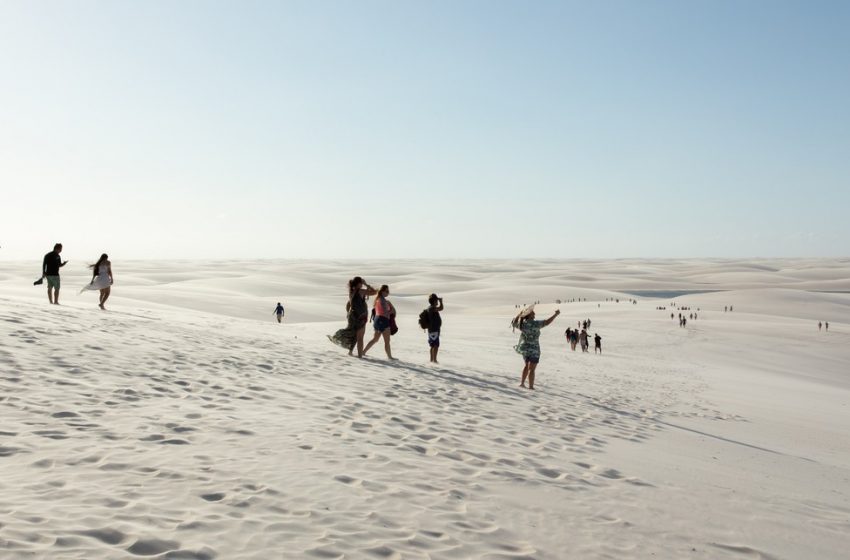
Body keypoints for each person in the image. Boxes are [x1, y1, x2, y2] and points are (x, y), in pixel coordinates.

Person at [513, 305, 560, 390]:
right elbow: (547, 322)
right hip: (534, 349)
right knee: (532, 369)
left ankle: (522, 383)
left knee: (527, 366)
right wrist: (555, 315)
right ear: (530, 315)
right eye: (532, 312)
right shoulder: (535, 324)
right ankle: (531, 387)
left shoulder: (522, 324)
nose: (534, 312)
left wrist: (519, 315)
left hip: (525, 349)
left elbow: (514, 323)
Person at [329, 276, 377, 356]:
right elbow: (375, 292)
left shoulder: (351, 291)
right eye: (361, 282)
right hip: (360, 316)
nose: (362, 284)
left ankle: (350, 351)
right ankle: (360, 356)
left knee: (354, 333)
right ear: (359, 283)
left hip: (352, 316)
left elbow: (350, 303)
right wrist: (366, 284)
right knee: (360, 337)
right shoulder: (360, 291)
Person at [363, 285, 396, 359]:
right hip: (383, 320)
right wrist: (392, 310)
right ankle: (390, 357)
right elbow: (385, 312)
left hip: (377, 320)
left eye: (388, 291)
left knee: (375, 339)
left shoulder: (378, 299)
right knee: (387, 341)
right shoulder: (383, 300)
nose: (388, 293)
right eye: (387, 291)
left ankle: (363, 352)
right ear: (382, 291)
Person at [426, 293, 444, 363]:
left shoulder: (430, 308)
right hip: (434, 330)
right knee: (435, 345)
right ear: (434, 301)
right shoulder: (432, 308)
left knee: (432, 345)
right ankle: (434, 360)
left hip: (432, 330)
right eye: (436, 300)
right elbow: (441, 308)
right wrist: (441, 302)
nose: (437, 301)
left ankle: (431, 359)